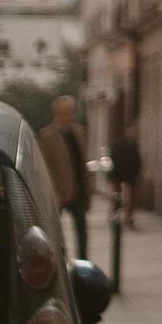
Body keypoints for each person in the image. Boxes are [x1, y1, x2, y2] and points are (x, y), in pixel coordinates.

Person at [38, 96, 91, 260]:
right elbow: (43, 166)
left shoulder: (79, 131)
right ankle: (59, 261)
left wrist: (89, 189)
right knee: (55, 233)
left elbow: (83, 163)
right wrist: (51, 192)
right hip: (58, 192)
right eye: (66, 112)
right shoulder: (47, 135)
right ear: (58, 113)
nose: (70, 115)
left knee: (82, 232)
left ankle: (83, 262)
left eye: (71, 112)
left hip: (79, 190)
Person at [110, 128, 144, 230]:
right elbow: (137, 161)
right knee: (130, 197)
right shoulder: (133, 146)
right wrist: (137, 172)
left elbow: (113, 159)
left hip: (117, 174)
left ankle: (116, 216)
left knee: (117, 196)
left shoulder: (116, 145)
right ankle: (128, 217)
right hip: (130, 175)